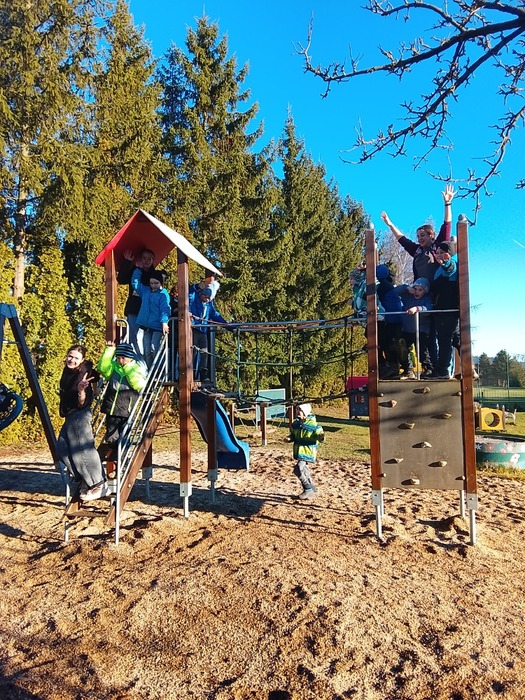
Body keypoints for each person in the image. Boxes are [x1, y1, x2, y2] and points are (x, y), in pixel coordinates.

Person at [57, 345, 109, 502]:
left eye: (76, 358)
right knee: (62, 449)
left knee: (82, 449)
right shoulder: (70, 370)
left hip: (79, 415)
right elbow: (96, 375)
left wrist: (81, 390)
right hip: (70, 416)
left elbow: (81, 403)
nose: (72, 360)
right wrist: (96, 388)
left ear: (82, 360)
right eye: (70, 356)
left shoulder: (81, 374)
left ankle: (99, 484)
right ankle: (85, 479)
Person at [380, 184, 456, 291]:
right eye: (418, 236)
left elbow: (447, 225)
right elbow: (402, 239)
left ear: (431, 235)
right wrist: (390, 224)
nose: (420, 238)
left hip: (438, 288)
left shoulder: (438, 246)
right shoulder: (417, 250)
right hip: (421, 290)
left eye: (422, 235)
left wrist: (447, 204)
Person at [96, 342, 148, 470]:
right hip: (112, 409)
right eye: (118, 357)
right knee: (111, 437)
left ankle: (123, 460)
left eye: (123, 358)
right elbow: (102, 368)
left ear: (130, 358)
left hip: (127, 411)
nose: (120, 360)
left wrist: (128, 369)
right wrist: (109, 350)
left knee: (125, 437)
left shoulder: (136, 368)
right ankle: (117, 456)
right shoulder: (114, 367)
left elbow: (138, 384)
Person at [189, 280, 230, 383]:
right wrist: (196, 286)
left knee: (204, 352)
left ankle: (203, 372)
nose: (206, 299)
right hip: (194, 329)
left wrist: (228, 326)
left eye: (208, 298)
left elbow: (216, 316)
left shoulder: (209, 305)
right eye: (205, 296)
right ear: (201, 294)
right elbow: (188, 292)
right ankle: (191, 372)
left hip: (203, 330)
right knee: (193, 351)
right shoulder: (194, 299)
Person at [118, 248, 156, 353]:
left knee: (146, 339)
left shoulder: (154, 275)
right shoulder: (135, 270)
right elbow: (121, 279)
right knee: (133, 337)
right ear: (140, 259)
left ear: (153, 261)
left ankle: (145, 360)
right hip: (134, 310)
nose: (146, 261)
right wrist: (127, 262)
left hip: (148, 312)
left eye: (149, 259)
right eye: (144, 258)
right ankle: (134, 359)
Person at [432, 240, 460, 379]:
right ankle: (468, 367)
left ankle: (443, 370)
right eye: (437, 252)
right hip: (446, 309)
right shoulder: (441, 268)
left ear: (449, 253)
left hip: (447, 309)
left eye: (442, 252)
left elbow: (449, 269)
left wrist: (445, 263)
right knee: (456, 340)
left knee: (444, 340)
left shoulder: (452, 264)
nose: (438, 255)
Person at [395, 277, 433, 378]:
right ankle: (408, 369)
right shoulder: (408, 296)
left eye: (420, 290)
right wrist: (407, 287)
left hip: (421, 330)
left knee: (422, 351)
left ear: (425, 291)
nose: (417, 292)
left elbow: (428, 309)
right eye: (415, 289)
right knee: (401, 347)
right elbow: (395, 291)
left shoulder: (426, 299)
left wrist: (417, 309)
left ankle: (427, 369)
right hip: (407, 329)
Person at [133, 269, 171, 368]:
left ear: (161, 282)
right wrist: (138, 270)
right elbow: (135, 284)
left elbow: (165, 309)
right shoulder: (146, 291)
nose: (153, 285)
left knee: (154, 348)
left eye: (156, 283)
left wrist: (164, 322)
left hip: (157, 325)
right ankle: (150, 370)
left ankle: (159, 370)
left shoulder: (163, 294)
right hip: (146, 325)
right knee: (146, 350)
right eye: (151, 283)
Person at [285, 403, 325, 500]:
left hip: (307, 451)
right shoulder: (296, 424)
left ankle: (308, 489)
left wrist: (321, 437)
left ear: (305, 412)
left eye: (300, 410)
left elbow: (320, 436)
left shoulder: (314, 425)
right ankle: (312, 488)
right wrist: (289, 438)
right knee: (304, 470)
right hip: (298, 451)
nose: (297, 412)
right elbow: (293, 435)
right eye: (297, 410)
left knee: (298, 469)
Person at [376, 264, 403, 379]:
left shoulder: (381, 286)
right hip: (395, 318)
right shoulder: (388, 285)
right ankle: (392, 368)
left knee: (386, 344)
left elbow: (371, 299)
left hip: (389, 318)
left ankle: (390, 368)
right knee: (390, 344)